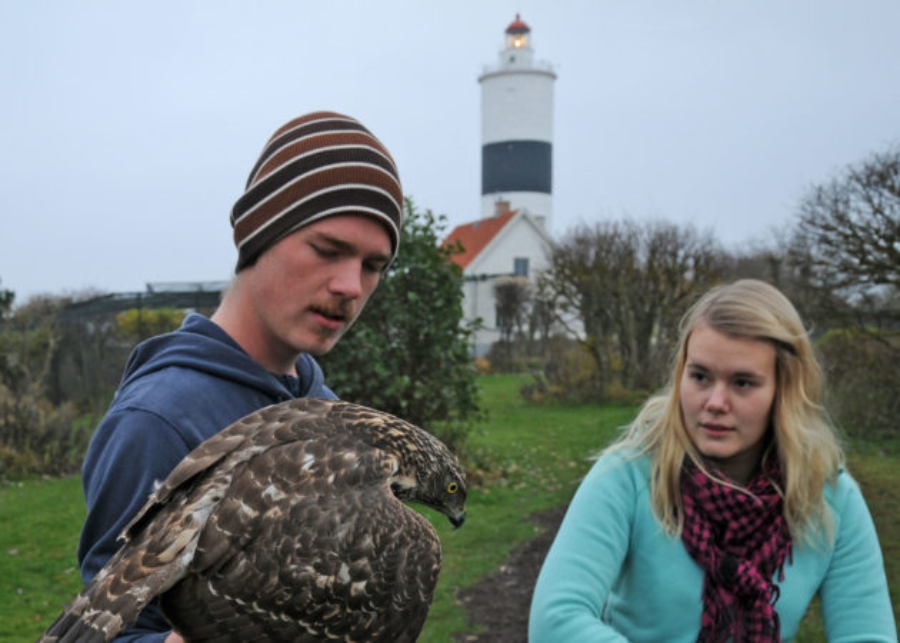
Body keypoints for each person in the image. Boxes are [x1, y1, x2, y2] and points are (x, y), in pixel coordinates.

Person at [77, 110, 404, 643]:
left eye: (373, 266)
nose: (351, 285)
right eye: (327, 250)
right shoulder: (159, 421)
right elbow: (105, 631)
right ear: (257, 236)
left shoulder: (325, 405)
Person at [529, 279, 896, 642]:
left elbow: (867, 634)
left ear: (784, 391)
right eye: (701, 376)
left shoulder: (829, 497)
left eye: (742, 383)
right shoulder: (629, 475)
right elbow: (556, 620)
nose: (715, 402)